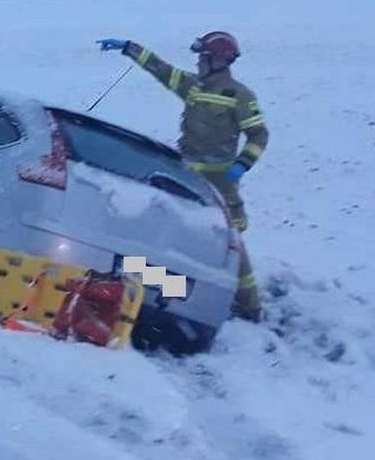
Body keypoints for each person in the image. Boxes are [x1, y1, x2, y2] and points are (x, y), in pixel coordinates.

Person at [97, 31, 268, 321]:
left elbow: (258, 134)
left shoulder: (239, 96)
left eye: (203, 57)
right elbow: (161, 69)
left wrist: (242, 163)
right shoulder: (192, 87)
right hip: (185, 179)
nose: (198, 62)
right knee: (169, 234)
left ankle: (250, 308)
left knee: (232, 244)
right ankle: (170, 291)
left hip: (221, 184)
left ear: (219, 60)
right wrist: (129, 48)